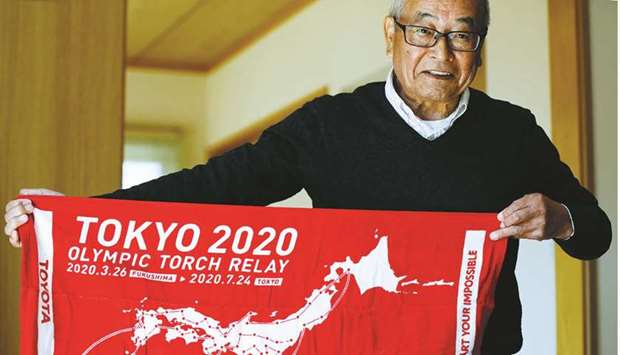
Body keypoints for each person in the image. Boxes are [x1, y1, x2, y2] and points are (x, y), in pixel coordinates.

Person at [3, 0, 611, 353]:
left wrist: (559, 218)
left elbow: (596, 232)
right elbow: (220, 187)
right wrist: (81, 213)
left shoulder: (512, 130)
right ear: (392, 34)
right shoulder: (331, 125)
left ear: (478, 45)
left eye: (461, 35)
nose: (441, 53)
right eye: (424, 30)